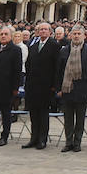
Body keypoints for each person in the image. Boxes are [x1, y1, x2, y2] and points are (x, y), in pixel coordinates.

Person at [55, 25, 87, 152]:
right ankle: (68, 142)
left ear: (84, 36)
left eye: (78, 34)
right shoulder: (64, 50)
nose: (76, 36)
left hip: (82, 88)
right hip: (67, 88)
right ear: (70, 35)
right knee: (68, 118)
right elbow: (59, 71)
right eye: (74, 34)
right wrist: (58, 88)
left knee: (80, 118)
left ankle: (77, 142)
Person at [21, 21, 58, 150]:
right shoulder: (33, 46)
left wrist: (54, 85)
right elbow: (28, 65)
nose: (42, 31)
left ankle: (42, 139)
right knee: (33, 113)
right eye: (40, 29)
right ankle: (34, 138)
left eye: (45, 29)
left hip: (46, 86)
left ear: (49, 32)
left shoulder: (54, 45)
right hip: (33, 85)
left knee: (43, 114)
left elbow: (57, 67)